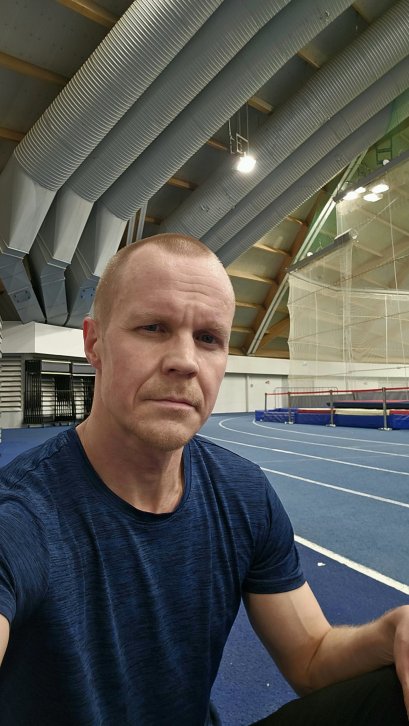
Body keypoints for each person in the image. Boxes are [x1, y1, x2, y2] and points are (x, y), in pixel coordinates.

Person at [0, 232, 408, 726]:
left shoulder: (243, 494)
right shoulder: (21, 515)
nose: (186, 361)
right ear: (94, 343)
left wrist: (390, 633)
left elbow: (311, 659)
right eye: (153, 327)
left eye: (209, 338)